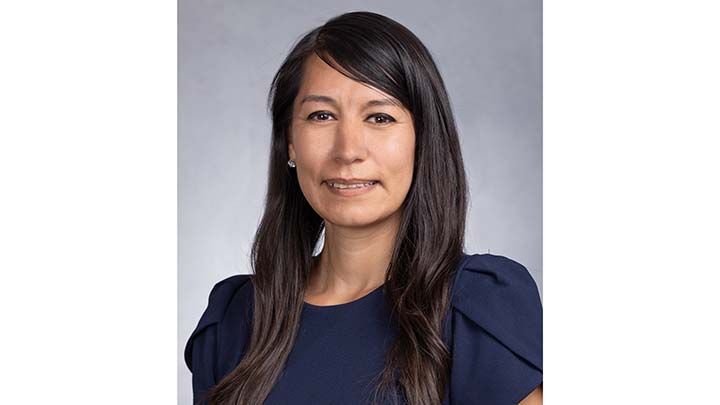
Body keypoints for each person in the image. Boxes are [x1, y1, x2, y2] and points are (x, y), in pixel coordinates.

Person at [184, 11, 542, 405]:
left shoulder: (477, 307)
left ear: (422, 140)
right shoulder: (233, 321)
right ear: (289, 141)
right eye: (321, 115)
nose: (348, 150)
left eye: (379, 117)